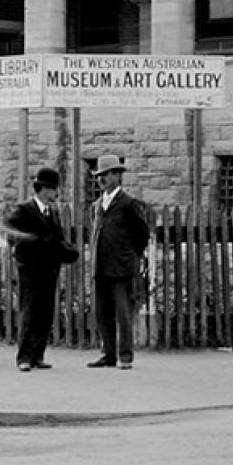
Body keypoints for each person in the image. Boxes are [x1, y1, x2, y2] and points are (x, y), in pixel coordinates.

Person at [1, 165, 79, 371]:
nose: (56, 193)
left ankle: (37, 355)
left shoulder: (53, 212)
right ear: (44, 188)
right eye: (54, 189)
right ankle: (24, 357)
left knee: (45, 313)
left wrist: (68, 251)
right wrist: (28, 248)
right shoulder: (24, 210)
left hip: (50, 271)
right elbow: (8, 233)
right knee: (30, 313)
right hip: (30, 272)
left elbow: (58, 238)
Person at [87, 154, 150, 371]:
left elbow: (142, 234)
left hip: (122, 269)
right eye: (99, 175)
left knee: (123, 313)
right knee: (102, 313)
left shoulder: (129, 203)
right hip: (101, 267)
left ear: (117, 175)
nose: (101, 179)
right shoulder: (97, 205)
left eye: (106, 174)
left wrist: (131, 256)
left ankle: (125, 356)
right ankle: (108, 354)